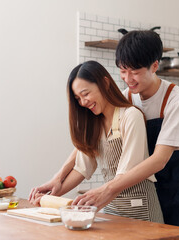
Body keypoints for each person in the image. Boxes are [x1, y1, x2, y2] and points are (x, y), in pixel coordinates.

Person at [29, 30, 179, 231]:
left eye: (135, 72)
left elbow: (159, 159)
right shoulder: (125, 98)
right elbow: (88, 145)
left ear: (155, 65)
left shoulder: (177, 99)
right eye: (122, 70)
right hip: (145, 183)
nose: (128, 78)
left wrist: (106, 190)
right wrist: (57, 178)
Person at [29, 60, 164, 223]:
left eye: (86, 94)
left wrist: (97, 194)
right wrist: (51, 194)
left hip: (142, 209)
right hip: (111, 209)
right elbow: (81, 169)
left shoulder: (130, 116)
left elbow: (126, 172)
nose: (83, 102)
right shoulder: (95, 124)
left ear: (105, 84)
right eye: (78, 98)